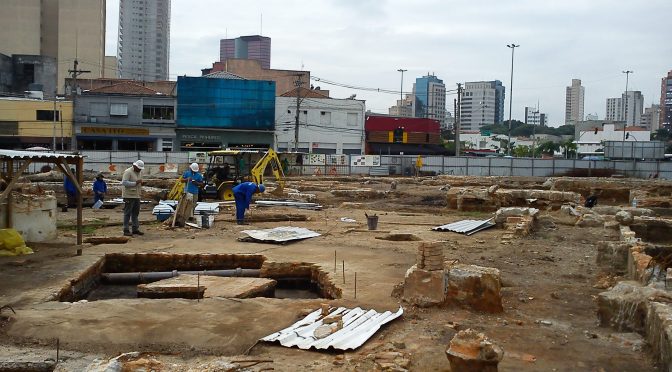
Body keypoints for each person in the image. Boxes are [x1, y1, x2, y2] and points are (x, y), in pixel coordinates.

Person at [122, 160, 144, 236]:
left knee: (135, 213)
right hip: (129, 195)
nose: (140, 169)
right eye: (139, 168)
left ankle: (135, 229)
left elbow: (138, 182)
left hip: (136, 195)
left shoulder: (139, 172)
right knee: (127, 213)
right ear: (135, 166)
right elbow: (124, 183)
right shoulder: (128, 172)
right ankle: (126, 229)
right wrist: (136, 183)